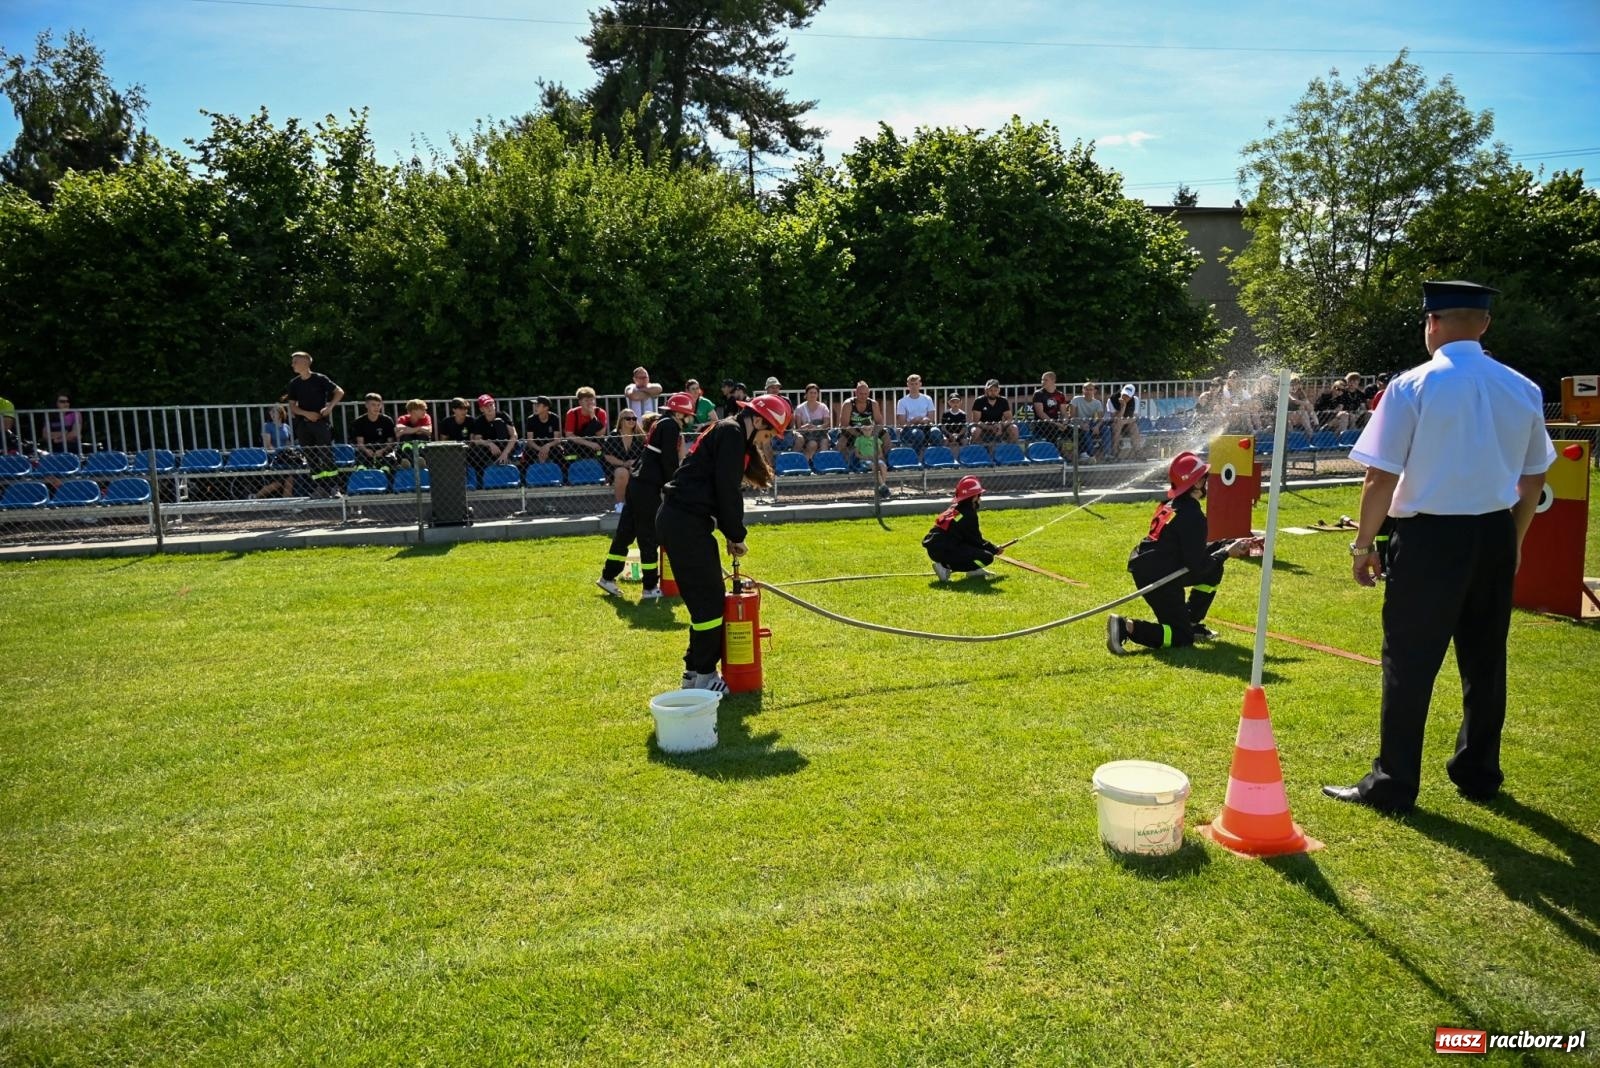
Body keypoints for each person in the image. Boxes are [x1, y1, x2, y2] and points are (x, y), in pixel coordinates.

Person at [1323, 280, 1555, 814]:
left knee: (1409, 661)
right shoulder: (1522, 387)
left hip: (1430, 537)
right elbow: (1534, 477)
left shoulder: (1413, 386)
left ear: (1431, 324)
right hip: (1494, 532)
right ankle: (1478, 770)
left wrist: (1362, 546)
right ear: (1485, 324)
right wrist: (1514, 543)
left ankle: (1393, 782)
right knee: (1484, 659)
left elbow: (1379, 477)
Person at [656, 394, 791, 693]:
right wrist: (736, 535)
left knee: (706, 601)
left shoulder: (731, 434)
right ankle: (705, 675)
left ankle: (693, 673)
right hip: (684, 524)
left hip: (685, 523)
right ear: (756, 420)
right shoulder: (731, 433)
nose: (764, 442)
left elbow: (720, 490)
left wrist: (731, 533)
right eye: (767, 434)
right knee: (709, 604)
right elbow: (727, 490)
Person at [1106, 451, 1256, 654]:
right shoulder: (1192, 516)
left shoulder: (1172, 505)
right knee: (1181, 638)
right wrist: (1226, 553)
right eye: (1204, 478)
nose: (1207, 482)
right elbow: (1198, 565)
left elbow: (1188, 549)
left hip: (1154, 565)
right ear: (1195, 484)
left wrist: (1226, 544)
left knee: (1214, 570)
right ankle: (1127, 627)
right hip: (1160, 577)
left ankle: (1191, 621)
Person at [597, 392, 695, 600]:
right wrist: (674, 486)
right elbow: (668, 459)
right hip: (648, 488)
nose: (689, 419)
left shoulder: (662, 423)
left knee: (625, 533)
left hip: (638, 484)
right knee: (648, 536)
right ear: (679, 413)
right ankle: (650, 587)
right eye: (687, 414)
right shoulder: (670, 426)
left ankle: (607, 577)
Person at [281, 351, 344, 497]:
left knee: (326, 453)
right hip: (303, 425)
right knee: (311, 456)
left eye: (295, 361)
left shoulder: (320, 378)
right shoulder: (294, 383)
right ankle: (320, 487)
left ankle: (334, 487)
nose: (292, 364)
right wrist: (306, 413)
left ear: (306, 362)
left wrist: (329, 407)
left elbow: (339, 392)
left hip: (321, 423)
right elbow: (292, 406)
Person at [923, 475, 1001, 581]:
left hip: (936, 549)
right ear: (974, 497)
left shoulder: (955, 509)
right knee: (987, 557)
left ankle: (974, 570)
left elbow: (969, 539)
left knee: (975, 549)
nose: (980, 498)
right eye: (979, 495)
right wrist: (994, 549)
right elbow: (977, 541)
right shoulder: (968, 514)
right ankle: (944, 567)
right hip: (944, 552)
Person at [837, 380, 889, 498]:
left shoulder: (873, 404)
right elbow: (844, 424)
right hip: (851, 430)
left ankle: (885, 463)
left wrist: (872, 435)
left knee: (887, 438)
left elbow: (880, 422)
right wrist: (858, 435)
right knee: (841, 444)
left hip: (869, 431)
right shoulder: (848, 404)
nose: (863, 396)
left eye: (866, 394)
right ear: (856, 392)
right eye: (861, 393)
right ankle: (846, 466)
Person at [600, 408, 648, 511]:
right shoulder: (614, 435)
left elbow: (645, 454)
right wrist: (624, 463)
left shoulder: (640, 437)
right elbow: (607, 456)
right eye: (628, 418)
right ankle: (620, 505)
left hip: (635, 466)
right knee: (622, 472)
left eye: (634, 418)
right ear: (621, 420)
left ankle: (639, 506)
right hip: (615, 468)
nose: (631, 421)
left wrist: (634, 463)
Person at [254, 404, 298, 498]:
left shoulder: (286, 427)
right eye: (271, 412)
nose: (271, 413)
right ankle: (256, 496)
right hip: (273, 457)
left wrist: (289, 451)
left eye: (274, 411)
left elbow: (288, 443)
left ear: (281, 413)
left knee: (287, 480)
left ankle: (286, 505)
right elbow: (267, 444)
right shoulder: (267, 426)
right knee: (284, 481)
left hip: (286, 457)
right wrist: (278, 452)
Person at [469, 394, 518, 475]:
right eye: (486, 406)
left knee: (498, 421)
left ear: (494, 405)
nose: (489, 408)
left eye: (491, 405)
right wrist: (490, 444)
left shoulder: (503, 415)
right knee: (476, 450)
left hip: (506, 447)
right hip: (490, 450)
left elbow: (514, 435)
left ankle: (505, 459)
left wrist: (505, 453)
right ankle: (482, 477)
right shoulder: (479, 421)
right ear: (481, 409)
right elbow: (477, 440)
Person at [894, 373, 941, 454]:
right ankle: (916, 457)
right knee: (918, 434)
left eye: (916, 384)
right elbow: (902, 423)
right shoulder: (902, 401)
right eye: (912, 384)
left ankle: (935, 456)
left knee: (936, 432)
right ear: (908, 385)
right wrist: (914, 421)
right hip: (909, 429)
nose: (914, 386)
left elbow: (931, 418)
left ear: (920, 384)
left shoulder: (927, 399)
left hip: (926, 427)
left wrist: (926, 420)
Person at [350, 392, 398, 468]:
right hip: (366, 450)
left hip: (383, 449)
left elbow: (391, 442)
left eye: (378, 405)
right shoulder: (359, 422)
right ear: (366, 405)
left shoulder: (387, 420)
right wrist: (366, 450)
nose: (376, 407)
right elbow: (360, 443)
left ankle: (386, 477)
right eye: (373, 405)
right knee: (360, 460)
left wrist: (383, 450)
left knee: (390, 459)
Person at [562, 387, 608, 463]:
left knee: (604, 444)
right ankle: (570, 468)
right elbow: (569, 435)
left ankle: (601, 467)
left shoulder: (601, 412)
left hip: (595, 441)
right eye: (586, 400)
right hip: (578, 443)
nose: (590, 403)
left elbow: (600, 434)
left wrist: (592, 415)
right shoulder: (572, 413)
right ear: (580, 402)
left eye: (592, 400)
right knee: (569, 445)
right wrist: (589, 444)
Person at [971, 379, 1019, 445]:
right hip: (983, 427)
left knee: (1014, 428)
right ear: (986, 390)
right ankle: (980, 451)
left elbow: (1009, 419)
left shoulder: (1003, 401)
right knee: (975, 431)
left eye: (995, 390)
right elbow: (976, 421)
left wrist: (1002, 425)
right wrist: (989, 427)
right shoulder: (979, 401)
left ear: (999, 390)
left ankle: (1010, 450)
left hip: (999, 426)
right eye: (991, 390)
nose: (993, 392)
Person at [793, 383, 832, 461]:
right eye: (811, 392)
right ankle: (806, 464)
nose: (813, 395)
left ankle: (822, 465)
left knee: (824, 442)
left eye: (815, 393)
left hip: (820, 433)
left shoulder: (823, 407)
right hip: (807, 434)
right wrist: (806, 427)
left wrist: (817, 427)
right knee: (812, 444)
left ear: (818, 395)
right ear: (806, 394)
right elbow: (798, 427)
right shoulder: (800, 408)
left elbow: (827, 423)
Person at [1031, 372, 1070, 445]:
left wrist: (1065, 423)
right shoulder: (1038, 394)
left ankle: (1083, 453)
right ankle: (1056, 453)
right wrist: (1056, 424)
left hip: (1057, 423)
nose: (1043, 382)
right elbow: (1040, 413)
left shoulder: (1060, 395)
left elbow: (1064, 413)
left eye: (1046, 380)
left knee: (1076, 430)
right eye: (1042, 380)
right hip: (1042, 423)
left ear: (1053, 380)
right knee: (1052, 430)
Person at [1068, 383, 1104, 461]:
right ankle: (1092, 455)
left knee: (1106, 429)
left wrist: (1097, 426)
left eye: (1090, 389)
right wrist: (1081, 424)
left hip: (1090, 423)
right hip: (1077, 423)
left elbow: (1101, 419)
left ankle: (1108, 454)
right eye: (1086, 389)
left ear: (1094, 391)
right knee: (1085, 430)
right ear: (1082, 390)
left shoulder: (1097, 403)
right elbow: (1072, 417)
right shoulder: (1076, 399)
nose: (1088, 391)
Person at [1107, 384, 1145, 457]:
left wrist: (1123, 421)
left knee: (1134, 426)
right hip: (1114, 423)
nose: (1125, 397)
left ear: (1131, 397)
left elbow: (1134, 418)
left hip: (1127, 422)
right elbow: (1115, 418)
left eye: (1127, 396)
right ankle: (1115, 452)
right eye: (1124, 394)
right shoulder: (1111, 399)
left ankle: (1138, 452)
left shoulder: (1135, 400)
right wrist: (1123, 407)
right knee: (1117, 426)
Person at [523, 396, 563, 464]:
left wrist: (547, 446)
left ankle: (562, 473)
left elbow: (557, 440)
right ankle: (526, 474)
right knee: (528, 453)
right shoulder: (531, 419)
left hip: (550, 446)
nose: (535, 407)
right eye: (535, 405)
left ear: (546, 408)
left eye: (538, 405)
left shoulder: (554, 418)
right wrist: (541, 449)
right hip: (536, 447)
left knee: (559, 452)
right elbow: (530, 441)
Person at [395, 399, 433, 467]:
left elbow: (429, 431)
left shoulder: (426, 417)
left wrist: (407, 430)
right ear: (413, 411)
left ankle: (421, 460)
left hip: (421, 447)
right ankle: (406, 461)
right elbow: (397, 433)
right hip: (407, 449)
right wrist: (419, 429)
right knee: (406, 437)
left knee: (422, 436)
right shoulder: (403, 418)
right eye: (422, 409)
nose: (425, 411)